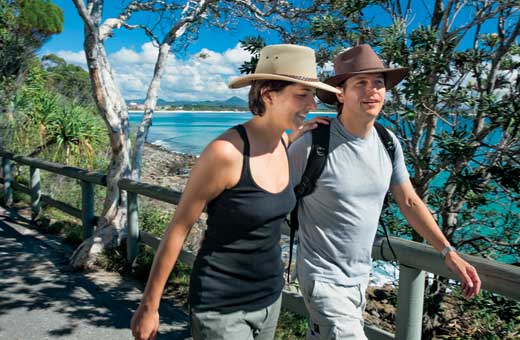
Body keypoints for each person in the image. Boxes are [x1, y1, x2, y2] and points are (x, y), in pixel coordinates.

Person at [130, 44, 340, 340]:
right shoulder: (225, 154)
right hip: (222, 308)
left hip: (269, 300)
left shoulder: (282, 143)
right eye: (301, 95)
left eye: (313, 96)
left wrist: (297, 134)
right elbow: (178, 229)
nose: (311, 105)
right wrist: (149, 307)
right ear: (268, 94)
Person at [288, 44, 482, 340]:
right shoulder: (313, 144)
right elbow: (267, 193)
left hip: (359, 278)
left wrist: (447, 251)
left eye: (378, 83)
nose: (372, 91)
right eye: (360, 83)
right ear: (340, 93)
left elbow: (408, 200)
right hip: (321, 278)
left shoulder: (387, 141)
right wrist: (285, 146)